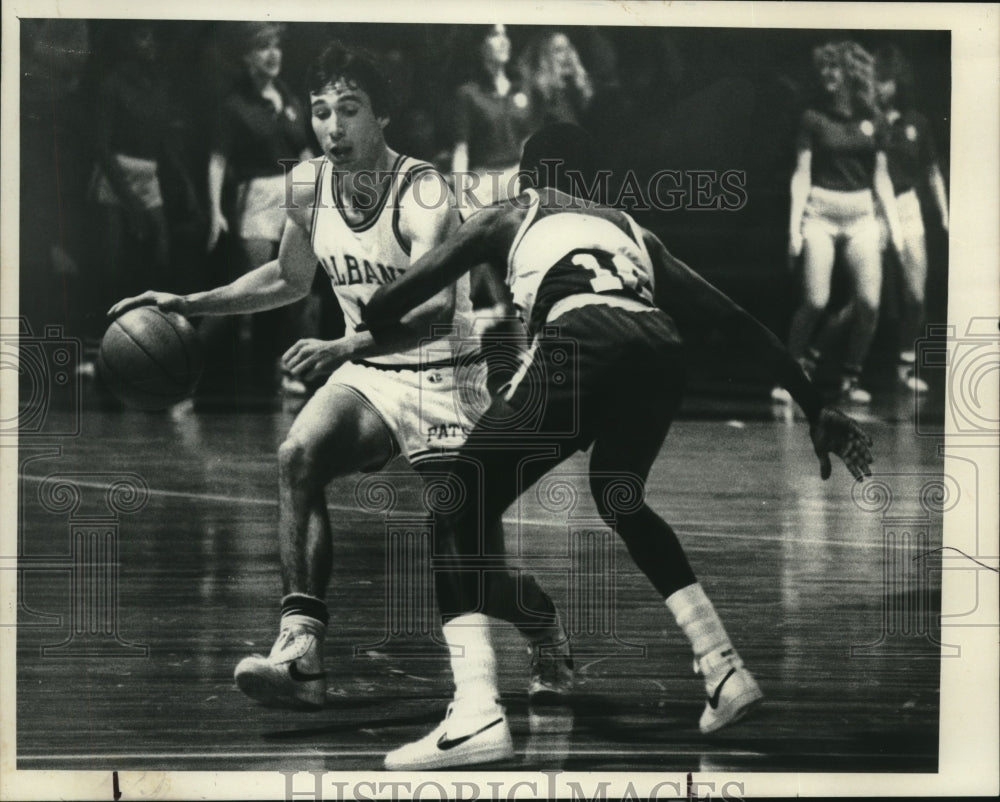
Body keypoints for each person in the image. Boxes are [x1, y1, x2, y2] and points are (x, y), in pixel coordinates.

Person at [362, 123, 875, 770]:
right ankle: (722, 667)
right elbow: (733, 320)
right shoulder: (635, 231)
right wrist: (812, 405)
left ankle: (475, 715)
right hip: (658, 347)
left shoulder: (510, 211)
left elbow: (391, 300)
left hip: (581, 339)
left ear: (528, 176)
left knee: (457, 502)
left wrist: (378, 319)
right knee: (619, 494)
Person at [109, 42, 570, 713]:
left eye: (348, 110)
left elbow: (437, 309)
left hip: (446, 378)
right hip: (371, 373)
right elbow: (289, 279)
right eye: (321, 111)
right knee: (298, 454)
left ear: (382, 116)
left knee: (470, 564)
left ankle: (542, 624)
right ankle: (301, 648)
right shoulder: (306, 184)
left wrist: (340, 344)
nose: (331, 126)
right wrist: (190, 302)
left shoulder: (426, 190)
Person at [774, 41, 903, 405]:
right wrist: (794, 228)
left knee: (869, 304)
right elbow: (801, 174)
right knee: (815, 300)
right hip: (820, 215)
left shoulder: (873, 120)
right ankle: (792, 371)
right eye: (825, 69)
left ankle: (850, 377)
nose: (828, 75)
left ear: (852, 74)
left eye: (835, 69)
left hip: (862, 217)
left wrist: (893, 228)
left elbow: (881, 178)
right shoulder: (813, 117)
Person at [205, 22, 316, 393]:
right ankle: (186, 371)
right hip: (257, 199)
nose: (273, 54)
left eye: (276, 46)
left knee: (297, 287)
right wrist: (215, 211)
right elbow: (217, 159)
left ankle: (284, 371)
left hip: (297, 196)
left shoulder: (291, 102)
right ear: (246, 56)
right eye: (263, 47)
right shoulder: (232, 106)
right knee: (247, 291)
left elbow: (305, 155)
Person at [873, 44, 949, 393]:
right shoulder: (865, 120)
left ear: (898, 83)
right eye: (875, 80)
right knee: (862, 299)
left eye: (886, 80)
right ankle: (819, 361)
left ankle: (904, 365)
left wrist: (945, 215)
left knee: (915, 295)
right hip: (871, 210)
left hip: (907, 208)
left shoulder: (917, 122)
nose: (881, 87)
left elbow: (932, 172)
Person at [452, 24, 536, 211]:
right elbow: (461, 149)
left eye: (505, 35)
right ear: (480, 46)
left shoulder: (521, 88)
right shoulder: (468, 93)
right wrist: (459, 199)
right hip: (483, 183)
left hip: (517, 180)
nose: (503, 41)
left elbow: (527, 142)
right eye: (495, 35)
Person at [518, 31, 594, 127]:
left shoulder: (575, 90)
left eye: (569, 48)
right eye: (559, 50)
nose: (568, 55)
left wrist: (582, 85)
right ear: (544, 58)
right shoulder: (539, 95)